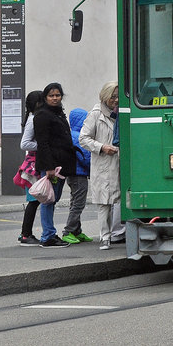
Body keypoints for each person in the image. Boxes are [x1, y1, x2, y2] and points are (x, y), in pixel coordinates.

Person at [79, 82, 125, 249]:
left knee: (120, 199)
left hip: (119, 163)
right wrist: (102, 147)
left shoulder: (122, 112)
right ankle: (105, 237)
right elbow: (83, 139)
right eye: (113, 97)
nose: (116, 100)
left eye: (119, 96)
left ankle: (118, 233)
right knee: (104, 203)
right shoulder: (96, 113)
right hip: (104, 163)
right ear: (105, 97)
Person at [33, 82, 76, 247]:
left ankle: (49, 234)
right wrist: (49, 167)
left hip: (61, 164)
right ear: (45, 97)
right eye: (51, 95)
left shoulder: (58, 113)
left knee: (53, 198)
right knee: (48, 200)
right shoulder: (42, 115)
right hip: (52, 166)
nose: (55, 98)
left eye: (57, 95)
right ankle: (48, 236)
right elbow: (42, 144)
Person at [60, 108, 92, 244]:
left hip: (73, 174)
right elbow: (86, 157)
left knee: (75, 202)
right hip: (79, 174)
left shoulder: (71, 134)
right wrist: (93, 169)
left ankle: (76, 231)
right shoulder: (79, 136)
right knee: (78, 204)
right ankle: (68, 231)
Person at [18, 90, 44, 245]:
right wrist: (43, 146)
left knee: (36, 200)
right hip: (33, 165)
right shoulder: (33, 119)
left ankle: (26, 233)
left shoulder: (35, 118)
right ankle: (26, 234)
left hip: (35, 163)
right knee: (34, 200)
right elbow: (24, 144)